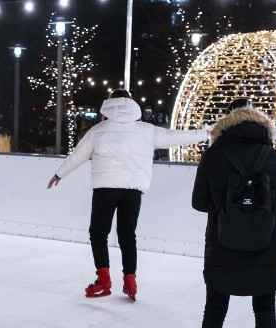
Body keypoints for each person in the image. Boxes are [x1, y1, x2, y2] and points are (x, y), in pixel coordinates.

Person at [184, 98, 276, 328]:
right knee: (265, 308)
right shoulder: (271, 155)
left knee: (215, 311)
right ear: (261, 126)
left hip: (223, 244)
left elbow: (198, 202)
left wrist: (228, 208)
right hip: (266, 244)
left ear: (227, 124)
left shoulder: (213, 154)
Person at [47, 89, 209, 301]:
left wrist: (60, 173)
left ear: (109, 104)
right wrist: (205, 133)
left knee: (98, 233)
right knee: (127, 235)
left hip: (105, 188)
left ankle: (104, 280)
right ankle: (130, 280)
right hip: (132, 190)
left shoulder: (98, 130)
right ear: (132, 104)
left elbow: (78, 155)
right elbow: (175, 137)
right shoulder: (147, 130)